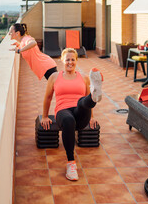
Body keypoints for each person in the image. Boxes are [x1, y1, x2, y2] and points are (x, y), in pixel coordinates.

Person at [41, 48, 103, 181]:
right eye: (67, 59)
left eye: (73, 59)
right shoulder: (54, 77)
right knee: (69, 119)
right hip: (63, 112)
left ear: (76, 61)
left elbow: (84, 103)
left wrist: (91, 117)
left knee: (82, 101)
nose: (70, 62)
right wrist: (45, 116)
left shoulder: (84, 78)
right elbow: (47, 98)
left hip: (80, 114)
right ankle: (71, 163)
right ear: (62, 61)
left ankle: (94, 95)